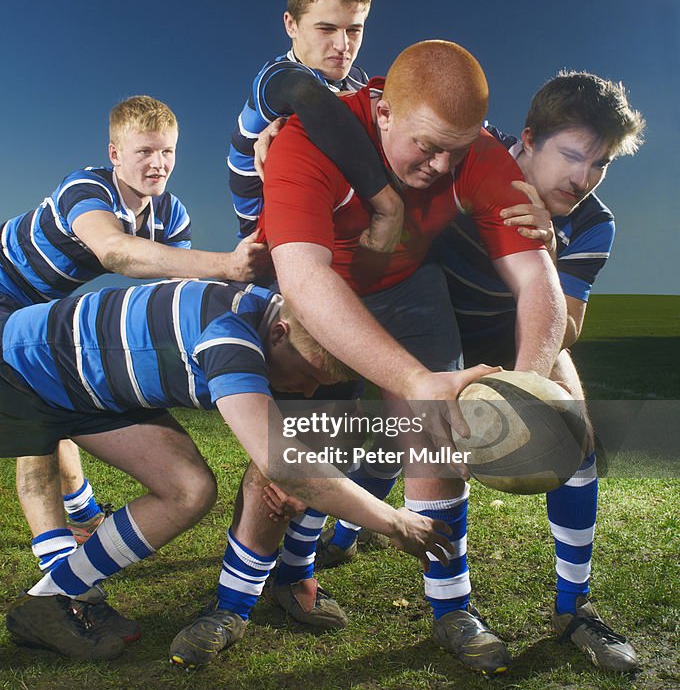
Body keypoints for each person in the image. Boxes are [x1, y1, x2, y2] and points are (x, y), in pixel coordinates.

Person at [175, 40, 566, 674]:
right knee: (287, 461)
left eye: (456, 151)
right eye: (428, 146)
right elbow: (304, 279)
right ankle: (232, 604)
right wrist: (415, 378)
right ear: (383, 112)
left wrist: (525, 383)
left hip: (408, 290)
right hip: (312, 297)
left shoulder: (472, 151)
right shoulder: (306, 143)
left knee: (435, 438)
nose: (443, 166)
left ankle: (451, 609)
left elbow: (535, 278)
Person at [1, 280, 457, 662]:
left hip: (96, 389)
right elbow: (282, 462)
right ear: (277, 334)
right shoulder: (228, 334)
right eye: (308, 375)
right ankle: (54, 599)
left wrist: (313, 471)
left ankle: (49, 600)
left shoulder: (314, 335)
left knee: (189, 489)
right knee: (197, 486)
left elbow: (326, 432)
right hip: (27, 367)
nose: (308, 390)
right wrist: (394, 520)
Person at [5, 95, 270, 613]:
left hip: (41, 309)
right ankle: (56, 581)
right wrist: (230, 265)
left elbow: (174, 288)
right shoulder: (87, 187)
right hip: (5, 301)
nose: (158, 164)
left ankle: (83, 521)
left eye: (167, 152)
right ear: (115, 153)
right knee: (34, 418)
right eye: (145, 151)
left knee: (58, 396)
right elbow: (116, 252)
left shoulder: (171, 213)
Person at [426, 70, 645, 672]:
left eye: (599, 164)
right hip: (435, 322)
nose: (583, 177)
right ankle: (451, 610)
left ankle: (574, 608)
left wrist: (545, 252)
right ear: (528, 137)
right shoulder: (478, 148)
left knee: (576, 437)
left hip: (518, 331)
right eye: (572, 155)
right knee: (434, 451)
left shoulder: (593, 221)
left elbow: (567, 328)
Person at [227, 0, 404, 254]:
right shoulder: (276, 77)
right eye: (326, 29)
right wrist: (389, 206)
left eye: (354, 30)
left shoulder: (356, 80)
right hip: (273, 248)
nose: (342, 46)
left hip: (341, 228)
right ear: (291, 25)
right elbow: (310, 98)